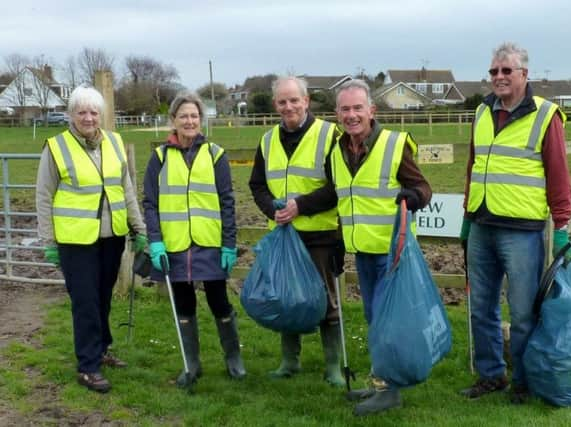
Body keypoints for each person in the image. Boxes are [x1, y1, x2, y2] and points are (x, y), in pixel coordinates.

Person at [459, 42, 571, 404]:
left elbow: (559, 175)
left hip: (522, 232)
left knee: (523, 313)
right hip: (481, 225)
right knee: (481, 308)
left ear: (525, 74)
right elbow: (473, 168)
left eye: (507, 70)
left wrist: (562, 228)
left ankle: (524, 380)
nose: (499, 77)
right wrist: (466, 217)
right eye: (493, 71)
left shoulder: (545, 115)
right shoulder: (481, 112)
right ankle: (491, 375)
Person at [35, 85, 147, 393]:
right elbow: (43, 196)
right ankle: (87, 366)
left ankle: (101, 348)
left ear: (102, 115)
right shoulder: (56, 147)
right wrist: (48, 241)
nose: (88, 118)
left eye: (94, 112)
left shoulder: (114, 142)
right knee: (85, 301)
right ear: (71, 114)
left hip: (111, 236)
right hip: (75, 241)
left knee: (103, 296)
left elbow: (126, 189)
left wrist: (139, 229)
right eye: (82, 112)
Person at [330, 79, 432, 416]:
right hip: (362, 250)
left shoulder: (393, 144)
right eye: (345, 109)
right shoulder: (338, 151)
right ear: (337, 114)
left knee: (389, 321)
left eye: (358, 108)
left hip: (392, 252)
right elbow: (339, 199)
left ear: (372, 110)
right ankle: (380, 382)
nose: (352, 114)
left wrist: (413, 197)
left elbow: (422, 188)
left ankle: (390, 389)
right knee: (375, 319)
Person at [142, 91, 246, 387]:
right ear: (173, 120)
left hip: (209, 245)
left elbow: (227, 202)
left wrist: (228, 244)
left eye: (195, 116)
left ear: (202, 120)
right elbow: (150, 203)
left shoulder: (215, 155)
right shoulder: (159, 158)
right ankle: (192, 365)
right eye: (183, 116)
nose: (189, 121)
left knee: (219, 302)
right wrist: (155, 241)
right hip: (174, 248)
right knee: (184, 305)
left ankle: (234, 359)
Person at [248, 76, 345, 387]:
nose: (288, 106)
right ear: (275, 104)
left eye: (294, 100)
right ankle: (289, 361)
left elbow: (339, 186)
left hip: (320, 234)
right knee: (286, 298)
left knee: (326, 300)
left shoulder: (330, 136)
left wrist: (300, 206)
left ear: (307, 101)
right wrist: (272, 210)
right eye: (282, 101)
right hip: (283, 235)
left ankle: (333, 366)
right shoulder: (266, 140)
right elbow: (257, 184)